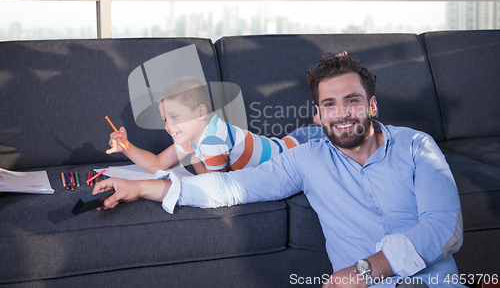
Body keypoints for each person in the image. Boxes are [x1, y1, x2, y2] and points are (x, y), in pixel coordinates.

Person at [94, 53, 464, 288]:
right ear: (318, 114)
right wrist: (143, 188)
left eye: (352, 101)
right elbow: (229, 187)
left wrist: (366, 271)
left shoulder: (418, 146)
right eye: (330, 104)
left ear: (372, 104)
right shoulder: (306, 159)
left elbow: (445, 229)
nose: (343, 113)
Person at [107, 76, 322, 175]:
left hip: (301, 149)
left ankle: (324, 116)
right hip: (295, 142)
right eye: (165, 119)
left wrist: (195, 162)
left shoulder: (212, 140)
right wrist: (126, 147)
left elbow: (216, 183)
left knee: (352, 138)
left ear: (201, 112)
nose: (167, 126)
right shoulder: (193, 135)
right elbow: (158, 163)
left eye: (174, 117)